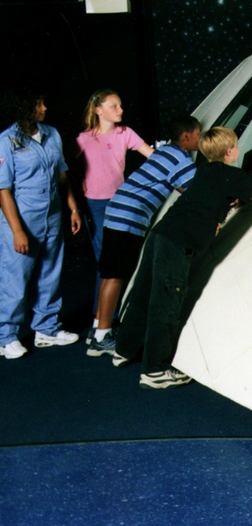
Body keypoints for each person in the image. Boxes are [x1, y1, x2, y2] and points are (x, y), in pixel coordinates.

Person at [114, 127, 252, 389]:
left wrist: (248, 195)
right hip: (178, 244)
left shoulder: (206, 170)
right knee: (167, 304)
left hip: (161, 234)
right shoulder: (231, 174)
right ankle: (155, 372)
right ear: (231, 151)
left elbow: (218, 197)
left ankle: (124, 351)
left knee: (143, 295)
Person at [86, 115, 202, 358]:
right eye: (198, 135)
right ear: (186, 137)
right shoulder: (180, 157)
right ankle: (101, 338)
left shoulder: (164, 152)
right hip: (129, 216)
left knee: (109, 275)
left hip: (117, 209)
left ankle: (98, 329)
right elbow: (196, 190)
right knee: (116, 276)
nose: (200, 140)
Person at [1, 90, 82, 359]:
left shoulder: (51, 134)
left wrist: (72, 208)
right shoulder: (7, 141)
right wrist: (17, 231)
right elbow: (3, 191)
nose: (45, 107)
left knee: (51, 272)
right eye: (39, 104)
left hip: (53, 214)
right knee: (16, 278)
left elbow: (62, 175)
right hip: (23, 218)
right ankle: (5, 336)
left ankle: (47, 328)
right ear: (24, 106)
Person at [75, 90, 154, 273]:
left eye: (120, 105)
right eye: (114, 106)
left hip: (120, 200)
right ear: (98, 110)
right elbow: (66, 165)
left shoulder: (125, 133)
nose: (120, 110)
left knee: (121, 256)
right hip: (96, 203)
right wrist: (80, 179)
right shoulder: (84, 139)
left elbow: (152, 155)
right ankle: (102, 302)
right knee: (105, 260)